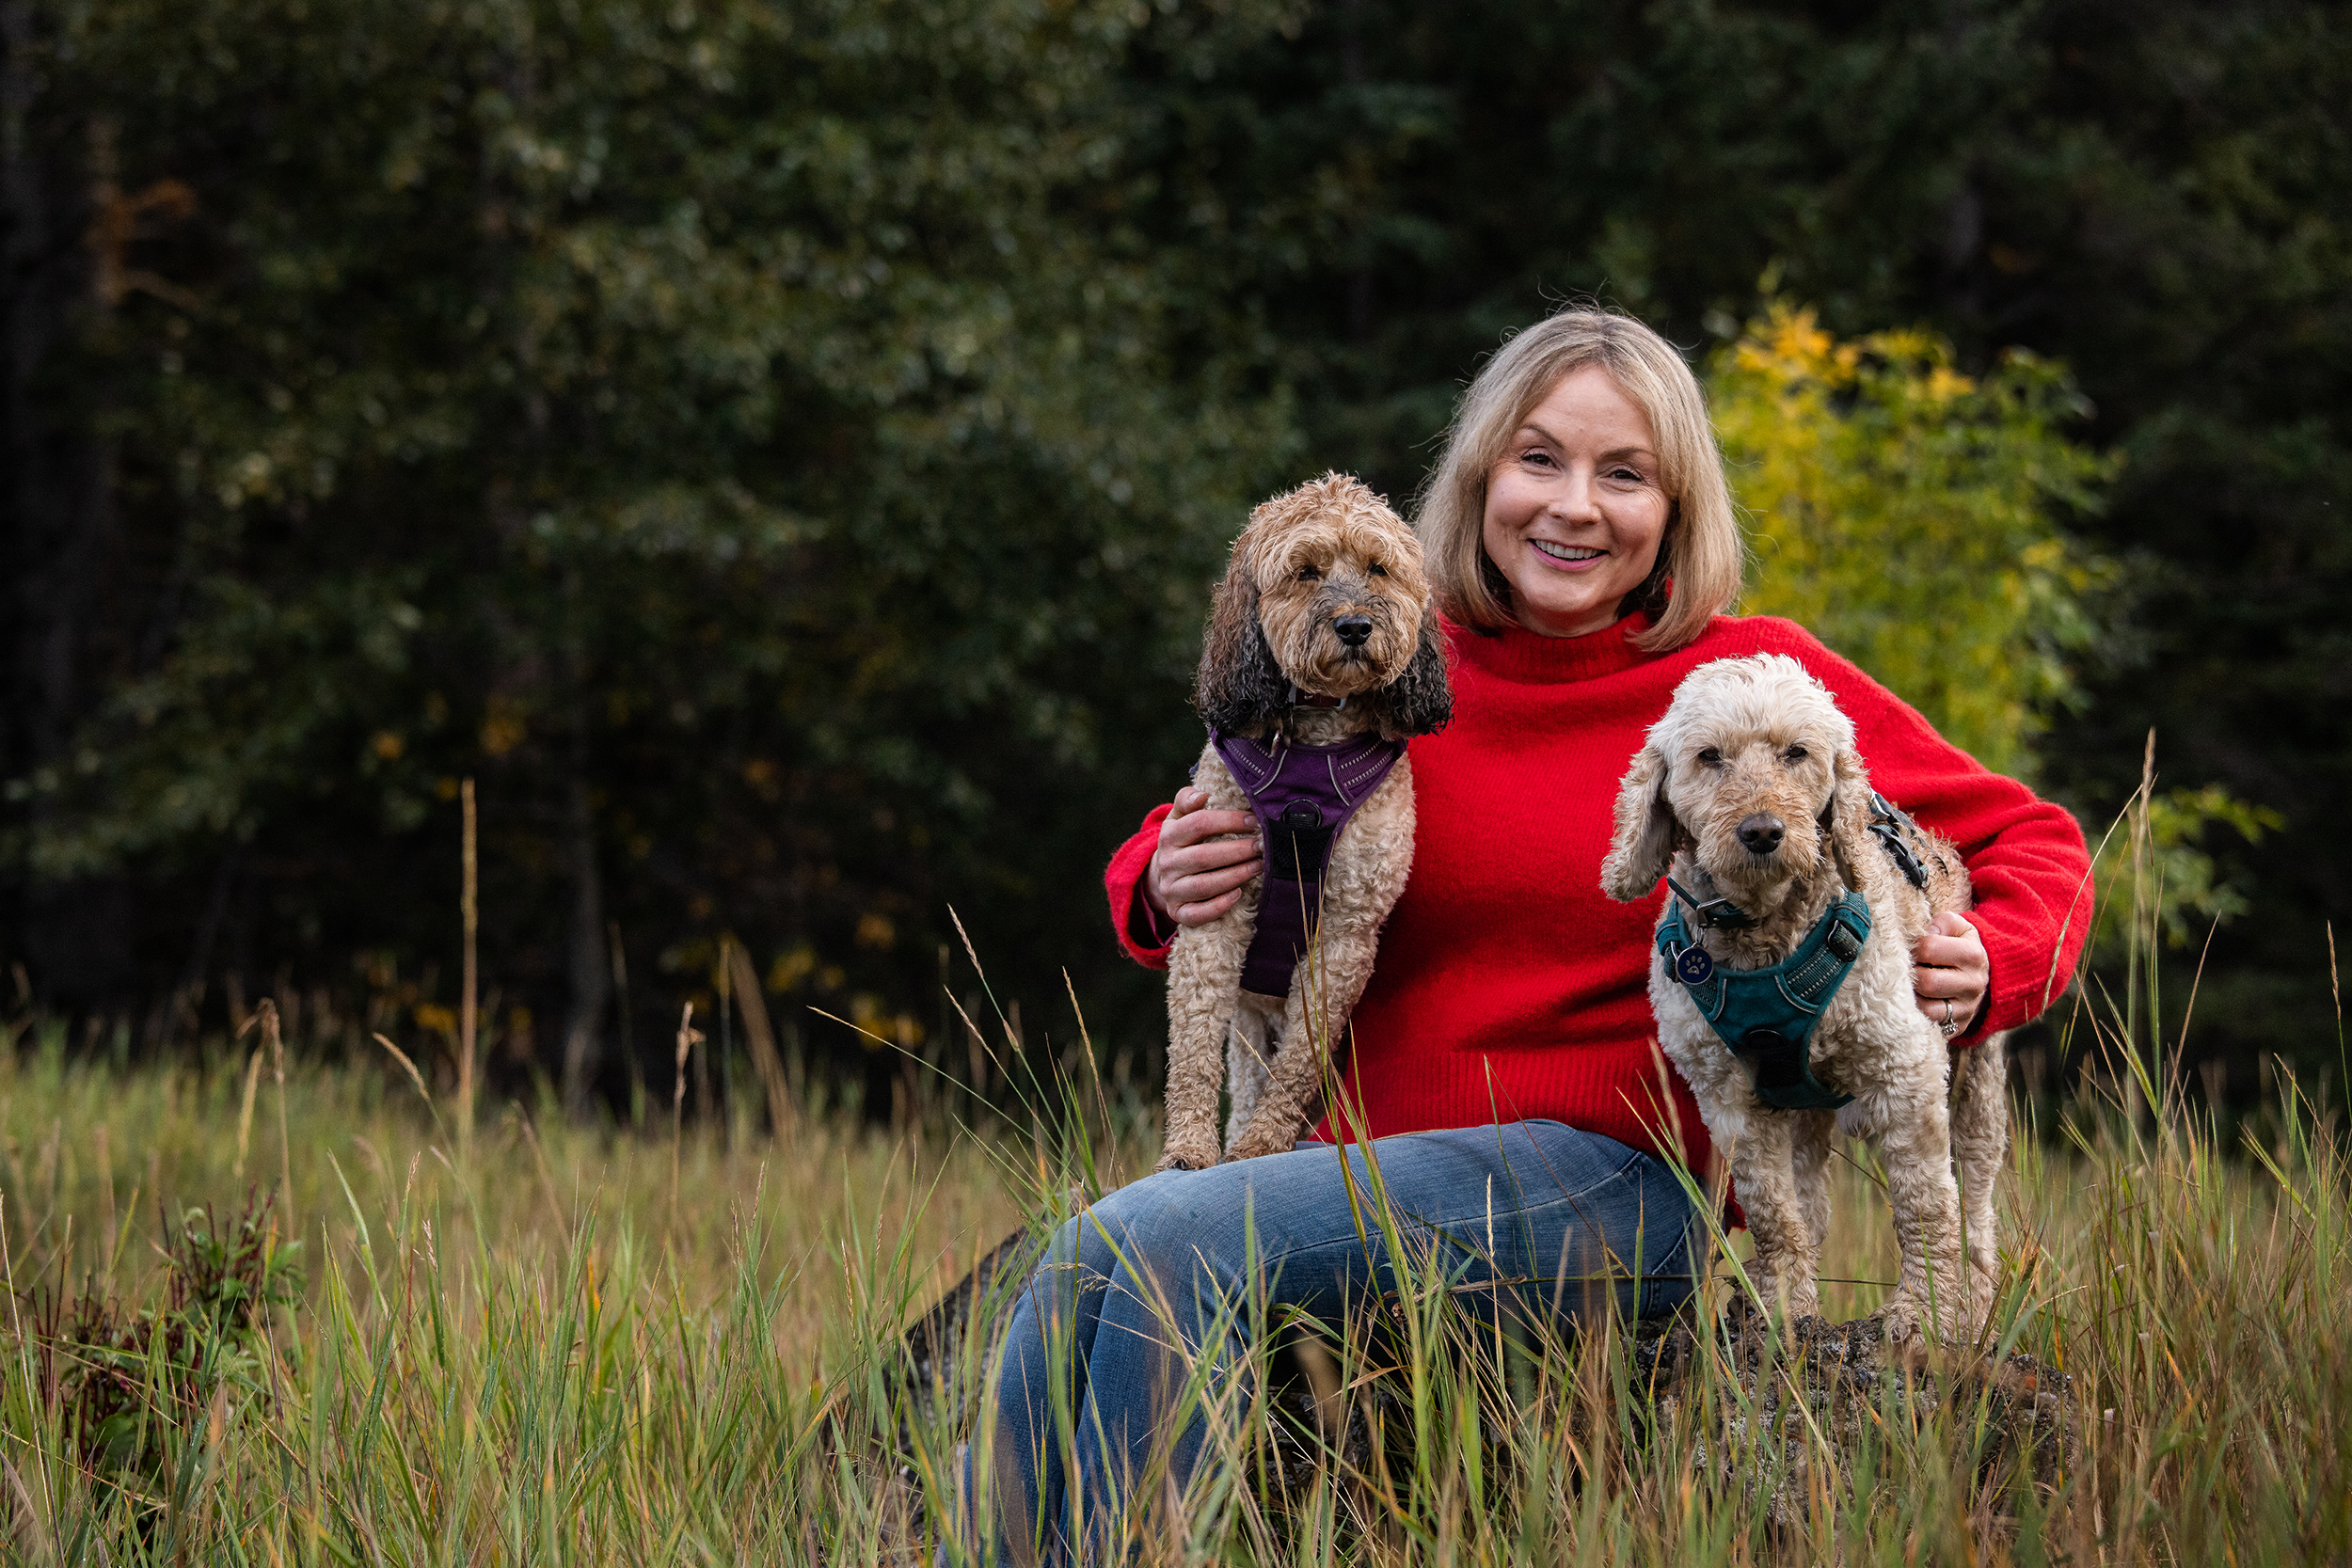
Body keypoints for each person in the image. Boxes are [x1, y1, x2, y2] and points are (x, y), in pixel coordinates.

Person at [972, 308, 2092, 1560]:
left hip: (1614, 1179)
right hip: (1345, 1172)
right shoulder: (1392, 649)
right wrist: (1161, 874)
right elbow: (1204, 804)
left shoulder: (1747, 684)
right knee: (1086, 1258)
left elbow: (2029, 836)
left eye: (1625, 475)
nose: (1573, 506)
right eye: (1539, 459)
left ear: (1675, 508)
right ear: (1481, 476)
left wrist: (1993, 958)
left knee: (1161, 1239)